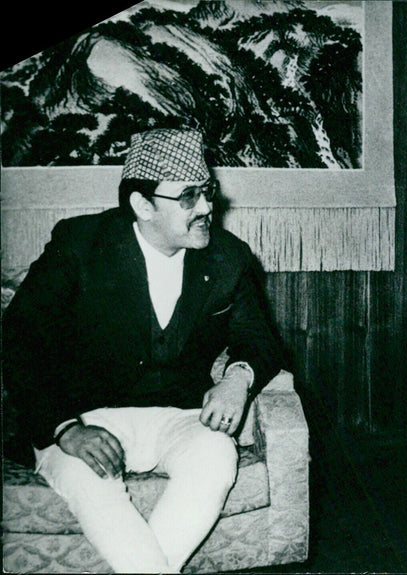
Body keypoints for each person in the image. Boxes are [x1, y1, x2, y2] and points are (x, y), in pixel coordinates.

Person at [2, 128, 287, 573]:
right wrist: (64, 430)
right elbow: (19, 339)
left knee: (216, 456)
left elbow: (259, 336)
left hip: (179, 415)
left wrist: (238, 378)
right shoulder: (79, 245)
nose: (208, 207)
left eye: (207, 192)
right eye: (189, 196)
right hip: (83, 417)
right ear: (142, 205)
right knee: (92, 481)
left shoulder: (228, 257)